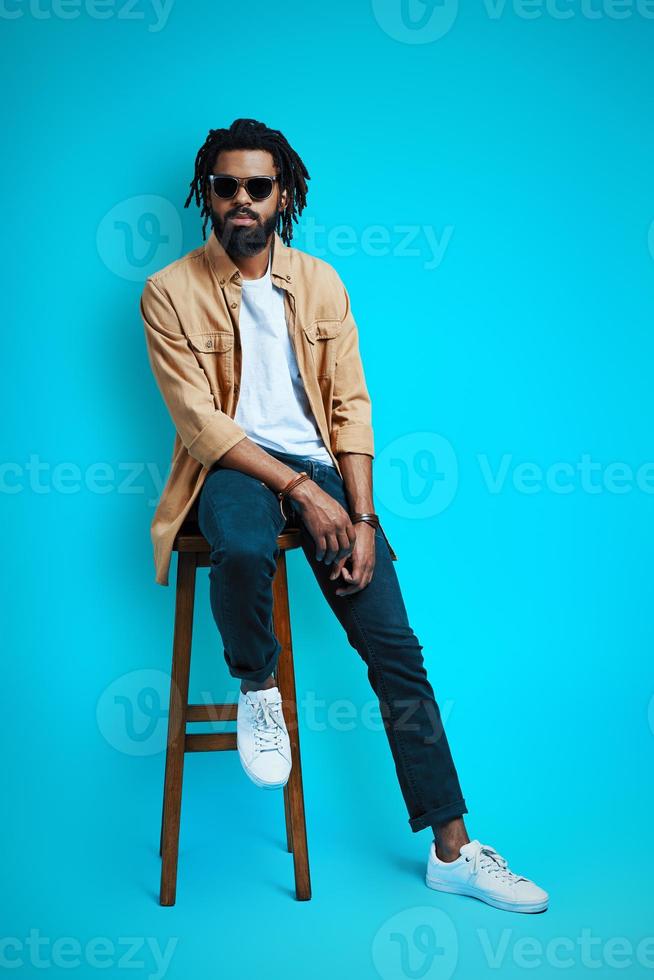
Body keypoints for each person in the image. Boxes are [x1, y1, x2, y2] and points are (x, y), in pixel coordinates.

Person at [139, 117, 548, 914]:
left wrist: (359, 519)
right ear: (208, 195)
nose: (242, 201)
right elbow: (202, 425)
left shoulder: (321, 283)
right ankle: (257, 683)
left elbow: (350, 407)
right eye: (226, 187)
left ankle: (453, 850)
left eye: (258, 186)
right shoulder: (169, 292)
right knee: (245, 546)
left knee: (396, 650)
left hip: (325, 471)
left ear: (282, 192)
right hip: (232, 468)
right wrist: (300, 492)